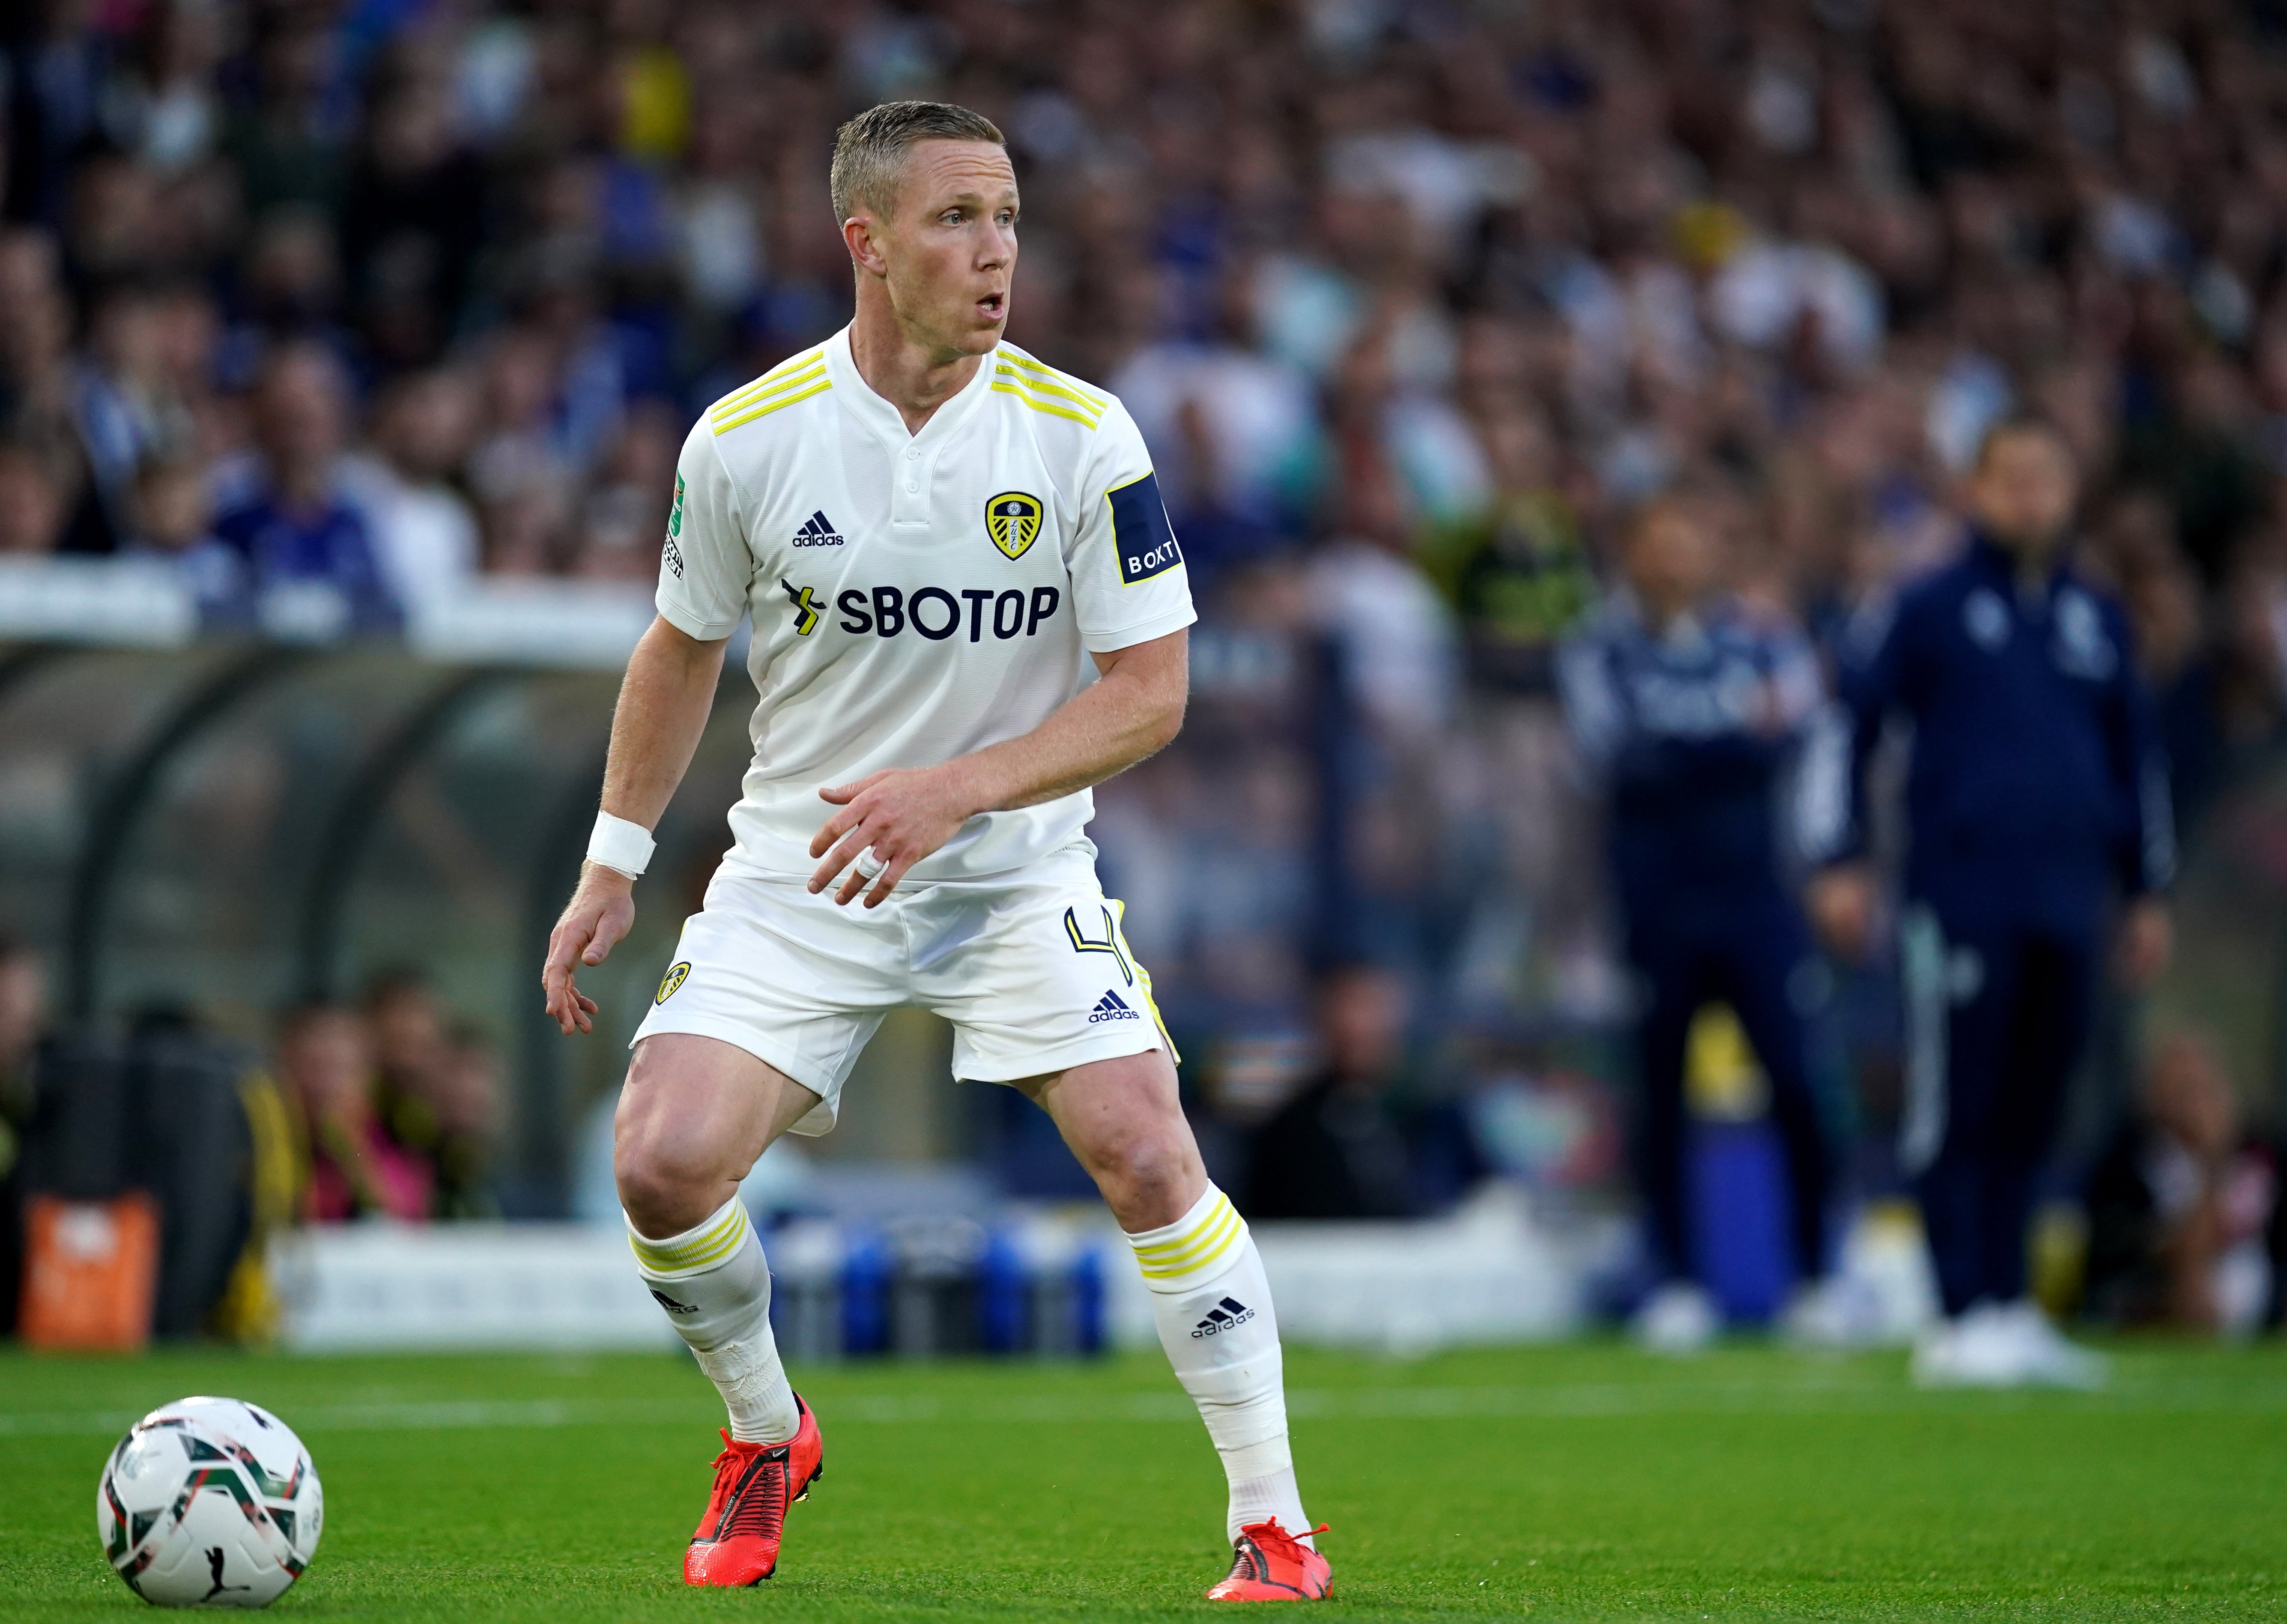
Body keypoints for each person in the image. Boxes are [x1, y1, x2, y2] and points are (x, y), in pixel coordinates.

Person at [540, 103, 1329, 1603]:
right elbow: (679, 645)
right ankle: (769, 1435)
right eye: (960, 219)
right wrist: (613, 857)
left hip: (1015, 872)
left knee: (1151, 1150)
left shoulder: (1086, 436)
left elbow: (1151, 695)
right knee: (660, 1162)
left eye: (1011, 218)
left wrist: (957, 793)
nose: (996, 253)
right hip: (806, 866)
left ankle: (1272, 1521)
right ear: (869, 244)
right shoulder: (748, 441)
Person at [1811, 418, 2174, 1388]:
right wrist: (1838, 854)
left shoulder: (2094, 618)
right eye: (2007, 477)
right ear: (1973, 488)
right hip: (1957, 890)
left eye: (2043, 476)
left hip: (2066, 894)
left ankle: (2010, 1306)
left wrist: (2144, 886)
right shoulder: (1923, 605)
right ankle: (1954, 1306)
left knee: (2031, 1100)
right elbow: (1847, 720)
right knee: (1953, 1099)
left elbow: (2132, 760)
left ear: (2068, 489)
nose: (2026, 494)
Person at [1558, 493, 1855, 1354]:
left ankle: (1819, 1276)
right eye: (1656, 543)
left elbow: (1799, 736)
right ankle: (1677, 1279)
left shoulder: (1765, 639)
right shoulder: (1601, 648)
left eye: (1689, 542)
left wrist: (1690, 754)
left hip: (1758, 898)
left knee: (1796, 1080)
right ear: (1634, 554)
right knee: (1661, 1090)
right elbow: (1612, 756)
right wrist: (1732, 747)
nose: (1672, 559)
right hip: (1656, 904)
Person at [1244, 964, 1418, 1220]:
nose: (1361, 1025)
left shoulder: (1422, 1118)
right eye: (1352, 1008)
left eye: (1373, 1008)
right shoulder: (1290, 1131)